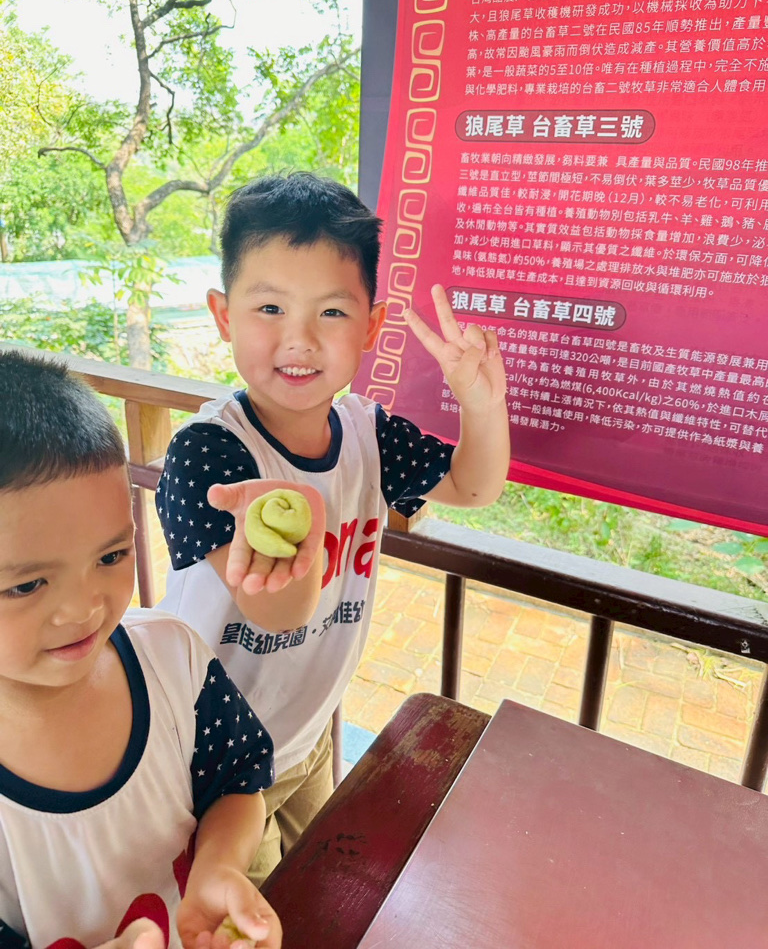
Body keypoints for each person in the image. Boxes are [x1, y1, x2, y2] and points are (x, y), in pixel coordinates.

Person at [154, 171, 510, 883]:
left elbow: (474, 485)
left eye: (332, 312)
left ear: (370, 327)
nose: (300, 339)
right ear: (224, 316)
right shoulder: (211, 455)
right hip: (217, 761)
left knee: (321, 884)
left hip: (308, 730)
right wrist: (304, 520)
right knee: (248, 912)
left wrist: (479, 403)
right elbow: (276, 610)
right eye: (269, 308)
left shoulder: (367, 434)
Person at [0, 350, 282, 949]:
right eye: (26, 585)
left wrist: (219, 867)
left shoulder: (172, 660)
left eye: (111, 556)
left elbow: (236, 783)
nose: (84, 608)